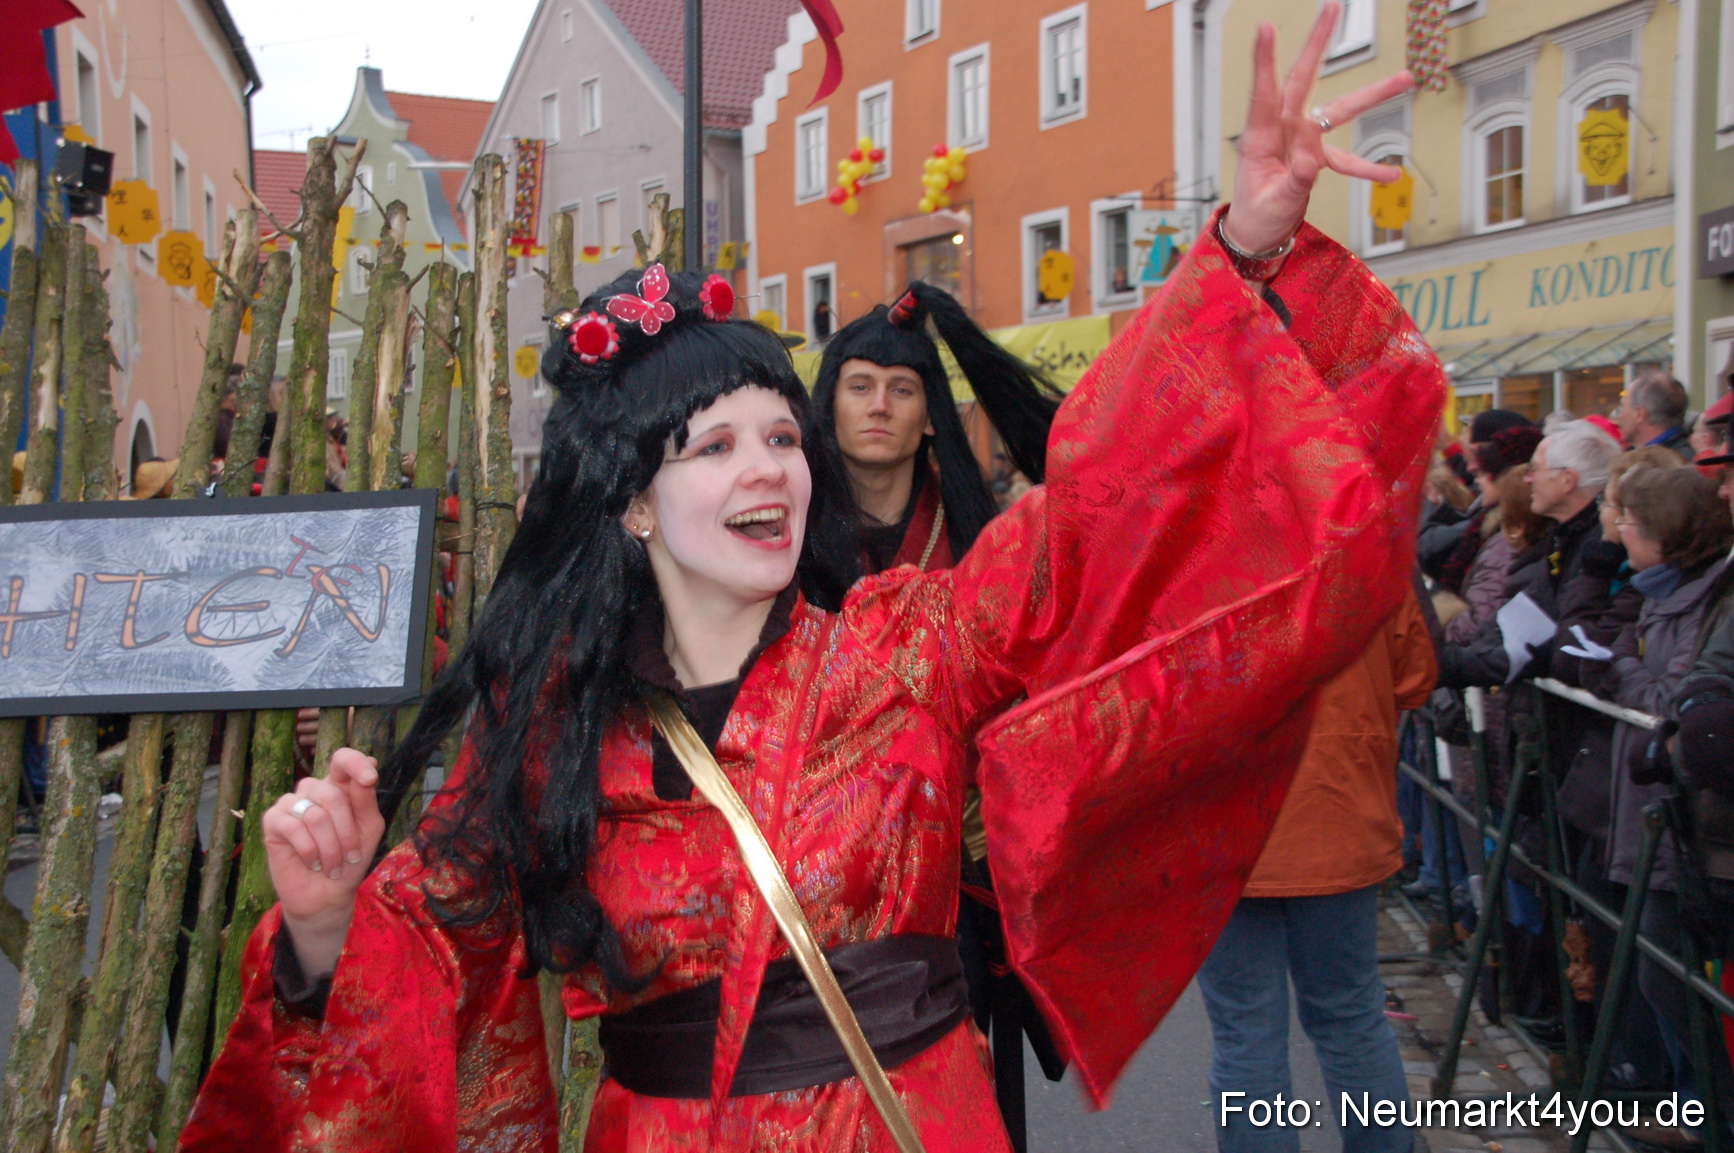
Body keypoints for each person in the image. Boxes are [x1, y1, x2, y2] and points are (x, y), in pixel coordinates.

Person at [181, 13, 1440, 1150]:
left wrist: (1238, 253)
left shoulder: (901, 648)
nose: (771, 467)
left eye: (782, 435)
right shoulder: (554, 733)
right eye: (715, 445)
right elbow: (425, 977)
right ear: (630, 502)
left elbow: (1095, 519)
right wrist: (320, 928)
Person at [811, 281, 1064, 1147]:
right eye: (859, 383)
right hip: (821, 869)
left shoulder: (979, 541)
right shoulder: (781, 540)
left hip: (962, 865)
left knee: (965, 1083)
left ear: (930, 417)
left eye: (902, 387)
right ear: (829, 402)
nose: (879, 403)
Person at [1199, 589, 1435, 1153]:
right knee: (1350, 1016)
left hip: (1220, 826)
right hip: (1336, 815)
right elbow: (1415, 677)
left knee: (1245, 1030)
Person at [1581, 465, 1734, 1138]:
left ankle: (1708, 1111)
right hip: (1655, 814)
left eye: (1631, 525)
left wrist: (1618, 667)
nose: (1619, 532)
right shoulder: (1658, 594)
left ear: (1665, 535)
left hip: (1688, 821)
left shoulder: (1706, 602)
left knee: (1669, 976)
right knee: (1660, 974)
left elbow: (1673, 703)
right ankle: (1694, 1104)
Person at [1616, 370, 1693, 460]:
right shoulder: (1687, 458)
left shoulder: (1669, 467)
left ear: (1639, 414)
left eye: (1623, 407)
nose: (1618, 417)